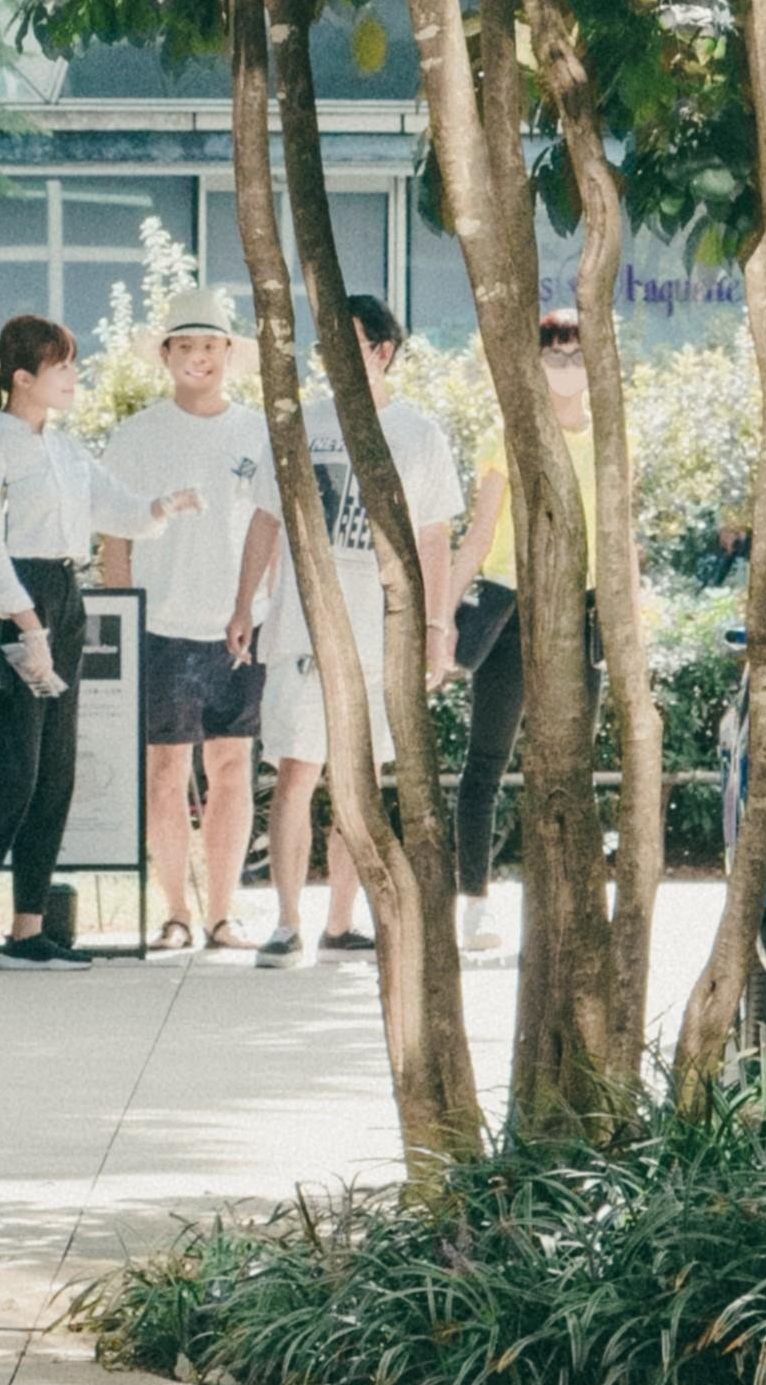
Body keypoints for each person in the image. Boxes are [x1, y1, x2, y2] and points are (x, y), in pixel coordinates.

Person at [0, 315, 201, 972]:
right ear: (23, 378)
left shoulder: (64, 448)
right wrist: (29, 627)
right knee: (10, 769)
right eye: (62, 366)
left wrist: (163, 506)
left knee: (54, 771)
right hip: (11, 606)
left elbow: (119, 509)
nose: (74, 377)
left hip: (64, 594)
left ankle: (28, 930)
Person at [235, 295, 463, 969]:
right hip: (302, 630)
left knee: (360, 782)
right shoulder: (299, 425)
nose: (328, 357)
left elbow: (434, 537)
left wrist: (436, 624)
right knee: (295, 772)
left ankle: (341, 921)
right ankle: (285, 922)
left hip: (380, 634)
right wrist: (243, 603)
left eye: (346, 342)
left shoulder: (418, 434)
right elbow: (266, 519)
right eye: (323, 345)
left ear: (382, 351)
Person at [99, 287, 273, 955]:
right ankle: (175, 912)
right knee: (165, 770)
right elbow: (115, 533)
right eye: (185, 345)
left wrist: (259, 606)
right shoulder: (137, 434)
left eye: (210, 345)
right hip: (160, 622)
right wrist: (122, 618)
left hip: (242, 620)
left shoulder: (256, 431)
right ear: (166, 354)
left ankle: (223, 912)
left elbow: (274, 527)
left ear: (228, 352)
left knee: (232, 764)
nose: (198, 357)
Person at [441, 310, 603, 957]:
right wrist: (439, 619)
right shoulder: (510, 435)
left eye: (576, 353)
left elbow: (620, 538)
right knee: (486, 760)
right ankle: (475, 903)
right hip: (511, 609)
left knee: (571, 767)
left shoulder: (611, 437)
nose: (565, 365)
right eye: (552, 354)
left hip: (581, 611)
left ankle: (566, 903)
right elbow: (479, 536)